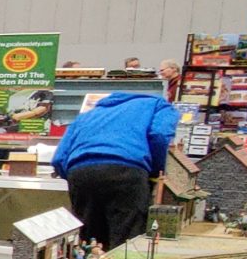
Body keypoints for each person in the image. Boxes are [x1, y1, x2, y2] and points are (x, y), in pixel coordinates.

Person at [51, 88, 179, 248]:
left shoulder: (87, 115)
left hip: (81, 173)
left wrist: (75, 175)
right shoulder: (159, 105)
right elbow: (159, 136)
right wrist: (155, 171)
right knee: (126, 240)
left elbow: (58, 158)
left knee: (90, 242)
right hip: (127, 172)